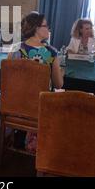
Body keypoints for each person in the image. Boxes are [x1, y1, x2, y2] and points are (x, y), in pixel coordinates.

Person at [9, 12, 63, 154]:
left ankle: (20, 133)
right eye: (46, 26)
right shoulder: (51, 52)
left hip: (17, 102)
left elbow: (9, 79)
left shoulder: (14, 49)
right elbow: (58, 85)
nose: (48, 29)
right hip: (40, 104)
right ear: (36, 29)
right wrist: (60, 73)